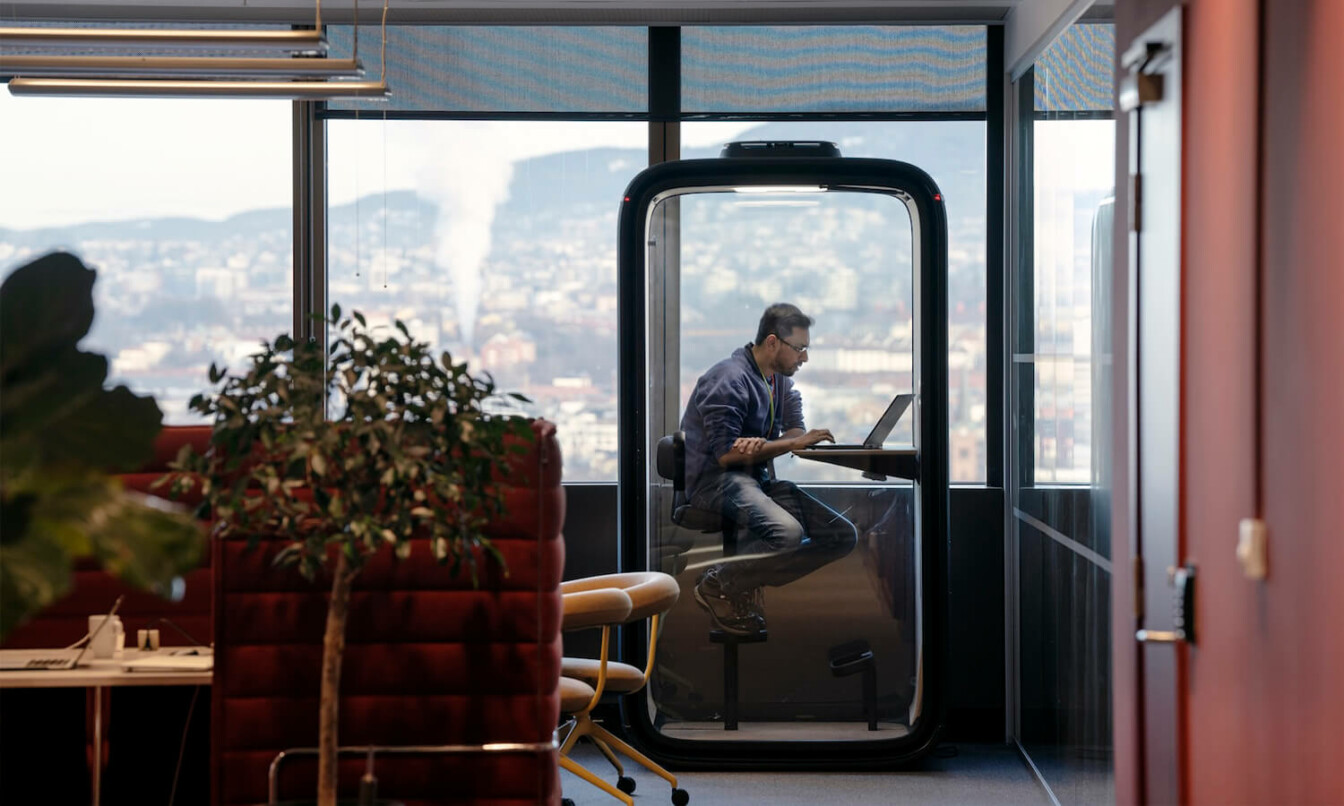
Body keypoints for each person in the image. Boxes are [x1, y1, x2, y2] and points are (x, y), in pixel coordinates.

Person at [680, 302, 858, 636]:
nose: (804, 358)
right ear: (773, 342)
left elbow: (795, 431)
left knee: (843, 536)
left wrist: (764, 445)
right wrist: (780, 444)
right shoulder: (728, 379)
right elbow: (726, 455)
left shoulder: (779, 382)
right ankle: (720, 582)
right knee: (787, 534)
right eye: (800, 349)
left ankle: (744, 577)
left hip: (754, 479)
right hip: (715, 482)